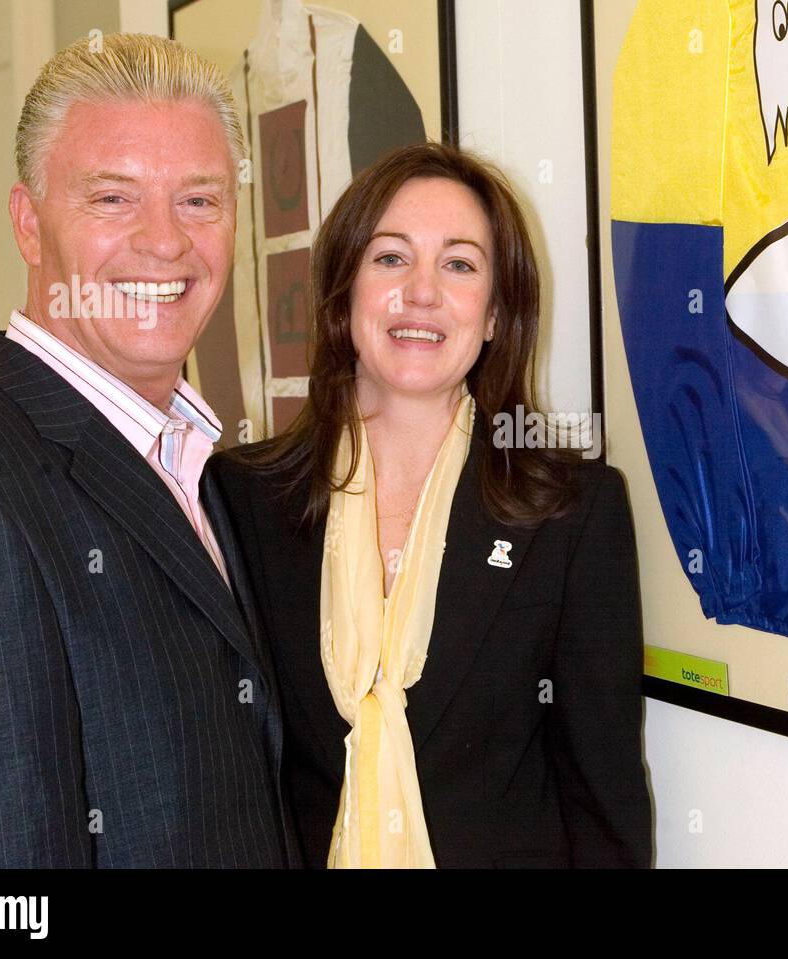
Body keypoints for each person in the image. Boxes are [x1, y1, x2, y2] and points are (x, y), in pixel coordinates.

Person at [0, 34, 294, 867]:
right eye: (113, 199)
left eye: (200, 199)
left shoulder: (198, 465)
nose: (165, 242)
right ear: (28, 225)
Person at [204, 142, 652, 868]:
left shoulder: (572, 512)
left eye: (459, 264)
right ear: (342, 294)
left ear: (497, 315)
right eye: (389, 258)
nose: (420, 292)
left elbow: (605, 801)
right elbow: (224, 773)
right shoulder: (241, 499)